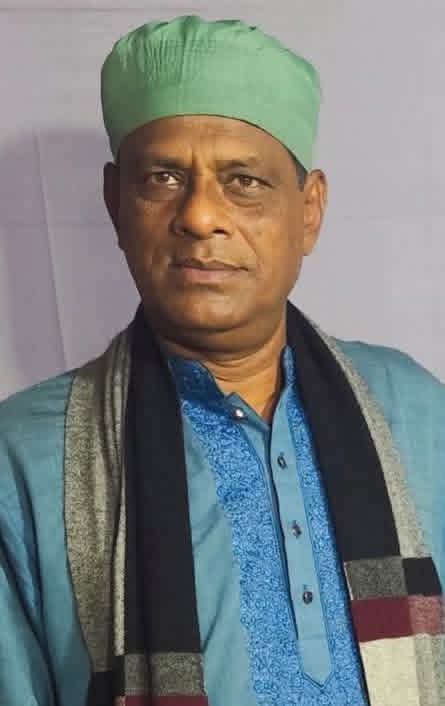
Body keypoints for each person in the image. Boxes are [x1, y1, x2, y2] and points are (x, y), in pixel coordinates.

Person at [0, 14, 443, 706]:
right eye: (163, 177)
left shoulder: (416, 411)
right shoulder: (24, 457)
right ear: (116, 205)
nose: (200, 215)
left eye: (243, 181)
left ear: (309, 211)